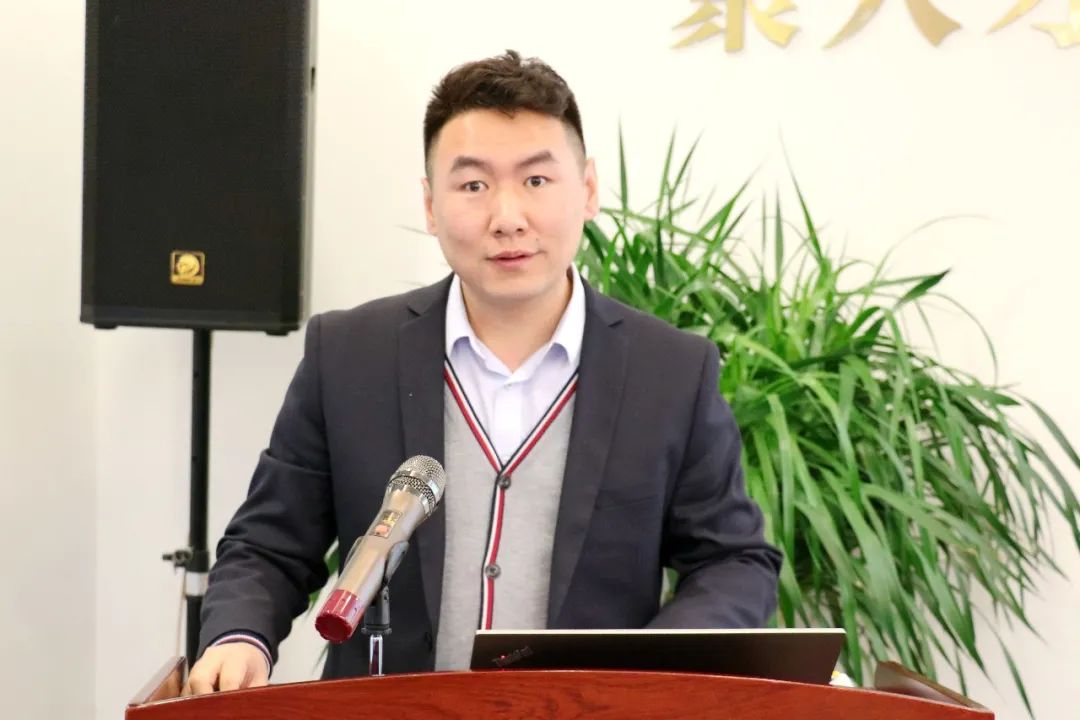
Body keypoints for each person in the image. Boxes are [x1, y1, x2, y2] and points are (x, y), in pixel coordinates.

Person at [184, 49, 782, 695]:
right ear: (430, 204)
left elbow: (733, 561)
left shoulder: (670, 370)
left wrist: (647, 677)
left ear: (587, 190)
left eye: (537, 180)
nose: (508, 218)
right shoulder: (350, 353)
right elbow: (269, 545)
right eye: (473, 185)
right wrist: (238, 636)